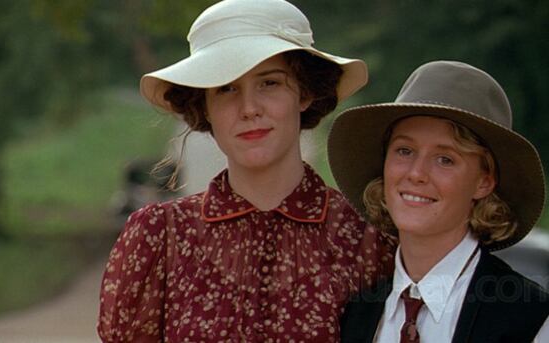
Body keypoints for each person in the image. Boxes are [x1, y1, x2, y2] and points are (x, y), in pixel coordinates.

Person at [97, 0, 396, 341]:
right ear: (204, 106)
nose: (249, 108)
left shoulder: (366, 239)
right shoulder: (159, 236)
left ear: (305, 92)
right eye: (226, 88)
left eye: (269, 83)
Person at [327, 60, 549, 342]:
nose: (416, 173)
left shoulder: (533, 320)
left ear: (484, 181)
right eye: (404, 151)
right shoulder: (352, 314)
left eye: (445, 159)